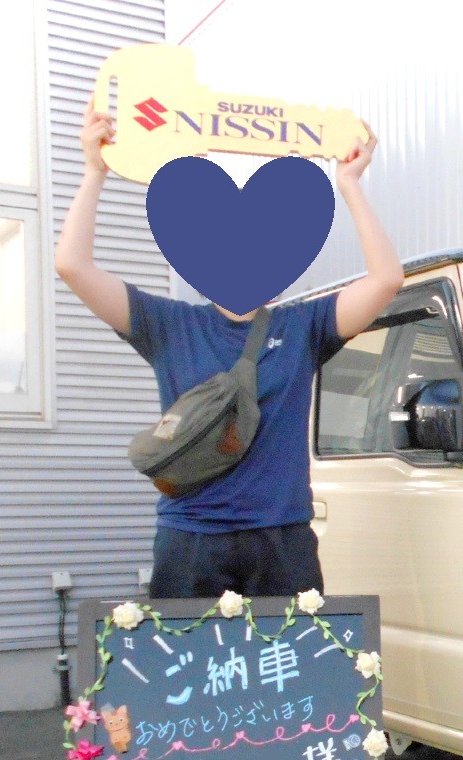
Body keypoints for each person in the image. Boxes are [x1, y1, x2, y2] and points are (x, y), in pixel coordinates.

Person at [56, 95, 403, 600]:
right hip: (190, 536)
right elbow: (72, 266)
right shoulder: (168, 324)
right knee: (189, 655)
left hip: (281, 535)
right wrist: (94, 172)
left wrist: (349, 183)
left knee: (290, 654)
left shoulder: (305, 326)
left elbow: (387, 279)